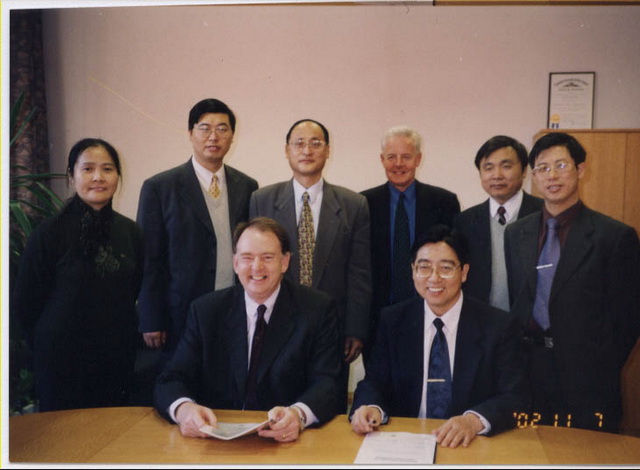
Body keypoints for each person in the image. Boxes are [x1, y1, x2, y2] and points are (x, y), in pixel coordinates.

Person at [154, 217, 342, 442]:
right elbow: (171, 379)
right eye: (247, 258)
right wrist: (184, 410)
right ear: (235, 263)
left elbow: (327, 383)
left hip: (284, 442)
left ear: (285, 262)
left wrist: (298, 415)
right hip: (214, 440)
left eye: (267, 257)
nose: (257, 267)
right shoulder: (206, 311)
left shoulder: (317, 309)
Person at [505, 132, 640, 433]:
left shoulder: (614, 236)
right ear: (533, 177)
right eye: (543, 168)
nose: (552, 176)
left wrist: (599, 364)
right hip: (529, 370)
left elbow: (628, 319)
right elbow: (520, 299)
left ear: (580, 170)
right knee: (529, 450)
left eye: (561, 165)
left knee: (586, 452)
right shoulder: (516, 234)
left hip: (588, 378)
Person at [350, 225, 527, 448]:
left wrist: (473, 421)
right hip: (407, 442)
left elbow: (515, 397)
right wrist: (370, 407)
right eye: (424, 268)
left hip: (471, 445)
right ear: (413, 271)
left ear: (464, 272)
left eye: (445, 268)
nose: (434, 278)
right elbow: (374, 382)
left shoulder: (498, 326)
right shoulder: (393, 320)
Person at [12, 138, 143, 411]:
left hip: (115, 358)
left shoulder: (132, 233)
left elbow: (135, 289)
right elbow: (25, 304)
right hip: (60, 364)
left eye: (107, 169)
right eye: (88, 169)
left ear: (118, 176)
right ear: (72, 176)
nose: (98, 177)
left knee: (114, 430)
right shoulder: (48, 234)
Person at [249, 119, 371, 410]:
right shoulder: (262, 199)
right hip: (275, 321)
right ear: (287, 150)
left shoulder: (354, 204)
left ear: (328, 150)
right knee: (273, 406)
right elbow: (253, 265)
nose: (307, 150)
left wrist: (356, 329)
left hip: (331, 327)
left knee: (326, 406)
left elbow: (360, 272)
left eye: (316, 143)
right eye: (299, 143)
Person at [137, 98, 258, 354]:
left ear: (232, 136)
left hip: (234, 307)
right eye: (205, 128)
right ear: (190, 133)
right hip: (180, 312)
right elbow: (149, 258)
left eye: (222, 129)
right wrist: (151, 317)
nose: (214, 136)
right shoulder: (160, 187)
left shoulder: (247, 186)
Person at [361, 126, 460, 361]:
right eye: (391, 157)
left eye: (406, 157)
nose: (398, 164)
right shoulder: (363, 203)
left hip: (431, 311)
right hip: (378, 317)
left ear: (418, 159)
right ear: (382, 160)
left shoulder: (444, 202)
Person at [454, 135, 543, 310]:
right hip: (481, 319)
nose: (497, 175)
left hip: (532, 319)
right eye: (488, 168)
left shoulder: (544, 214)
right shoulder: (464, 221)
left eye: (506, 166)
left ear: (524, 170)